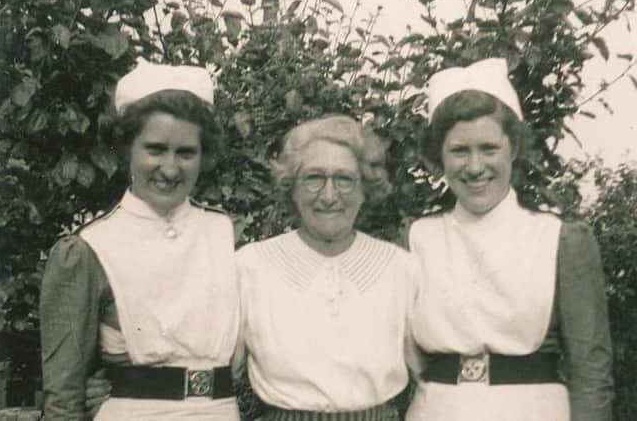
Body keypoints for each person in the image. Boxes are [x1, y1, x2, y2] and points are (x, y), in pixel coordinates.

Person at [405, 58, 614, 421]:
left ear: (513, 148)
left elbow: (591, 374)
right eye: (459, 150)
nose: (474, 167)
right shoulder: (416, 239)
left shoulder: (559, 240)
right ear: (439, 155)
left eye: (489, 148)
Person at [40, 60, 240, 420]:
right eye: (155, 148)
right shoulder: (89, 247)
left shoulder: (225, 233)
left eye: (186, 152)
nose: (169, 168)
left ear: (203, 155)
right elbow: (64, 398)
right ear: (127, 147)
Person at [233, 115, 418, 420]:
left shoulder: (401, 268)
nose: (329, 196)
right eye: (314, 178)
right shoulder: (251, 266)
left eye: (344, 179)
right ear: (291, 187)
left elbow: (428, 374)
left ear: (365, 188)